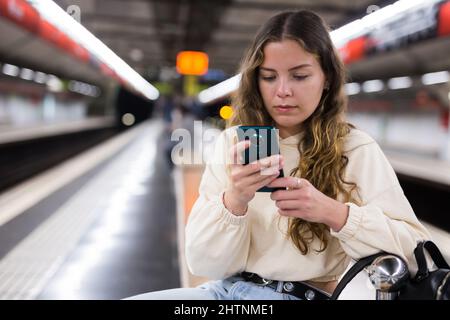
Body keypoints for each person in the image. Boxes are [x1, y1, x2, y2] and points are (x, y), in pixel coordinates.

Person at [127, 9, 431, 300]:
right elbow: (203, 264)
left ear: (326, 79)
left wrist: (334, 213)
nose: (282, 91)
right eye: (269, 77)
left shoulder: (354, 148)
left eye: (299, 76)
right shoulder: (234, 143)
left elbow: (417, 252)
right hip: (223, 291)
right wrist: (234, 201)